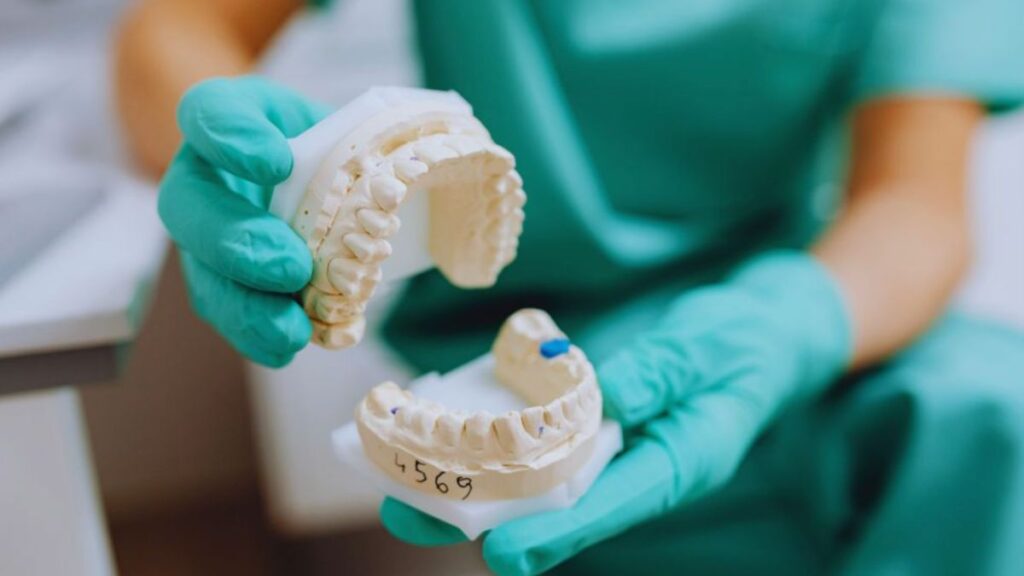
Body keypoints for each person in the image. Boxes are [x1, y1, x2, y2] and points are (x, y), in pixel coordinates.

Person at [114, 1, 1024, 574]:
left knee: (993, 412)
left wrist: (796, 322)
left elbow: (916, 203)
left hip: (799, 311)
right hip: (500, 353)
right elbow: (176, 28)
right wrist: (248, 165)